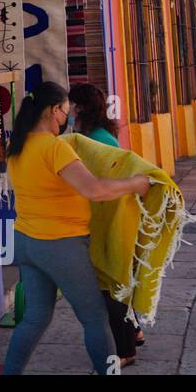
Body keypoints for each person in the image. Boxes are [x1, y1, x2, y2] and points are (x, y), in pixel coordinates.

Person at [3, 82, 152, 375]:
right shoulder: (54, 148)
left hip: (27, 242)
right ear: (53, 111)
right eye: (65, 111)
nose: (67, 117)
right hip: (62, 245)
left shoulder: (17, 147)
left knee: (34, 318)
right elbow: (94, 189)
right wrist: (137, 183)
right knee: (95, 318)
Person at [68, 82, 143, 367]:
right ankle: (132, 333)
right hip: (105, 220)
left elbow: (101, 183)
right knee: (112, 284)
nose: (68, 111)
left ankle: (124, 351)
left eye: (71, 105)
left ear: (81, 108)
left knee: (109, 288)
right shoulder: (95, 136)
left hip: (109, 221)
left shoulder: (96, 140)